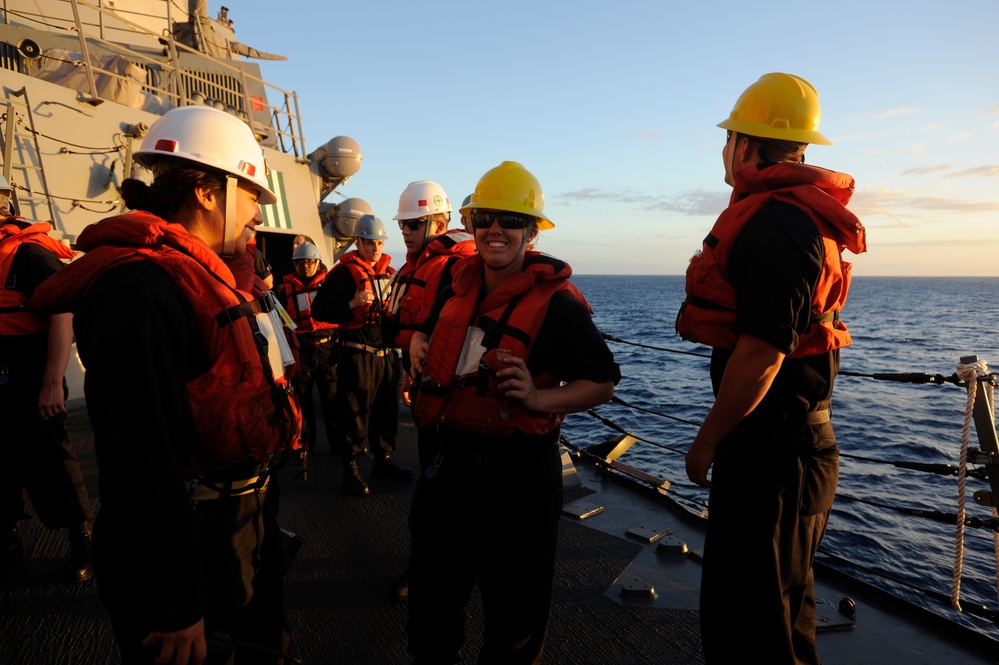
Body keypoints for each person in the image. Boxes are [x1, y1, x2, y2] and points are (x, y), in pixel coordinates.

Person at [32, 105, 300, 664]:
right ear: (207, 192)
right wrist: (173, 600)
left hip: (243, 524)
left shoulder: (213, 275)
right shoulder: (140, 289)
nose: (258, 215)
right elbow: (138, 457)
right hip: (190, 544)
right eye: (252, 195)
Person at [676, 73, 867, 665]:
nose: (724, 150)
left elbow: (761, 353)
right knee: (781, 611)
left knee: (753, 626)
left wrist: (706, 441)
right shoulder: (791, 218)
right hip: (785, 447)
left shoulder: (774, 225)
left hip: (774, 455)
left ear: (746, 144)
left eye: (729, 137)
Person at [406, 161, 619, 663]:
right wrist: (419, 342)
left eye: (511, 220)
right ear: (471, 224)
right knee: (430, 620)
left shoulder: (560, 305)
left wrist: (541, 399)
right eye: (484, 219)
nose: (495, 231)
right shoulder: (457, 286)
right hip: (449, 469)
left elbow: (602, 383)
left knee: (514, 629)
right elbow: (435, 328)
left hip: (520, 480)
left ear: (531, 231)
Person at [383, 180, 475, 601]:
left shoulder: (457, 263)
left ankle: (429, 572)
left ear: (439, 222)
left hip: (448, 400)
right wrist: (409, 372)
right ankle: (433, 565)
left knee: (437, 494)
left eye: (414, 223)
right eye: (403, 224)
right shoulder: (422, 263)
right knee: (435, 487)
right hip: (425, 390)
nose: (405, 231)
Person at [0, 174, 94, 583]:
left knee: (52, 458)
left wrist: (53, 382)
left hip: (31, 370)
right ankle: (6, 539)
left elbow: (61, 314)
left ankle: (81, 539)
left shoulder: (32, 255)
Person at [311, 214, 410, 496]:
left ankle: (383, 461)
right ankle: (350, 467)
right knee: (353, 412)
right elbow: (319, 310)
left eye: (379, 243)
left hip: (387, 356)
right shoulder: (343, 275)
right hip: (357, 355)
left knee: (386, 412)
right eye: (369, 243)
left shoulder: (391, 275)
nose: (376, 249)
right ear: (358, 243)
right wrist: (351, 303)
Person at [280, 241, 338, 461]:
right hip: (302, 348)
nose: (305, 266)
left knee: (332, 399)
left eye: (309, 261)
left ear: (317, 263)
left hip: (327, 346)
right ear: (294, 265)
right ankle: (305, 444)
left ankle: (338, 444)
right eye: (300, 262)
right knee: (303, 401)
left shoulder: (329, 285)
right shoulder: (284, 289)